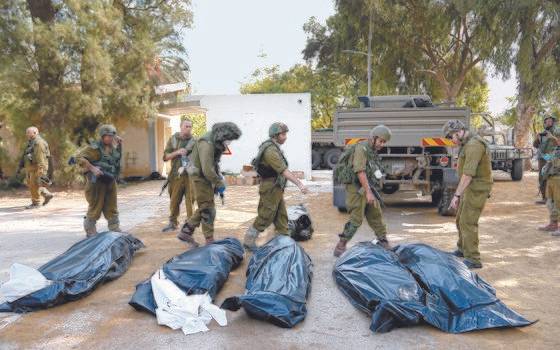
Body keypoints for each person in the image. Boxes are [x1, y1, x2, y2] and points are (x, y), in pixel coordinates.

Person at [243, 122, 310, 251]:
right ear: (275, 135)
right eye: (283, 134)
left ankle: (284, 241)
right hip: (270, 188)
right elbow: (283, 170)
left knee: (281, 217)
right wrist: (300, 184)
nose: (285, 137)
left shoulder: (274, 147)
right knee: (265, 216)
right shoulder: (270, 150)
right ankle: (248, 241)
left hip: (276, 187)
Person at [332, 125, 392, 257]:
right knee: (356, 218)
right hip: (356, 188)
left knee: (376, 213)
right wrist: (368, 192)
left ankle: (382, 240)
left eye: (384, 142)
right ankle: (340, 246)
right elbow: (360, 172)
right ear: (374, 138)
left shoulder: (371, 150)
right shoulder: (361, 148)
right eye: (381, 141)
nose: (382, 144)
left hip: (366, 186)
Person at [179, 122, 242, 246]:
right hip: (199, 176)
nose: (229, 142)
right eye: (229, 139)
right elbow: (207, 169)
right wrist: (219, 183)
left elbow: (213, 164)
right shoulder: (207, 143)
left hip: (204, 176)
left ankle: (186, 231)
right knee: (208, 208)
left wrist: (218, 177)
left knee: (205, 206)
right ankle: (209, 240)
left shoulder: (215, 141)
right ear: (223, 135)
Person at [444, 120, 493, 269]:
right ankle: (462, 249)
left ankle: (473, 258)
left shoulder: (473, 145)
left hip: (477, 188)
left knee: (468, 221)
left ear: (458, 132)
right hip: (470, 187)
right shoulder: (467, 143)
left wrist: (456, 195)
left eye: (451, 136)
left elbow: (468, 175)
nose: (451, 140)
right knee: (460, 219)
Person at [75, 124, 122, 236]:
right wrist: (92, 168)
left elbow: (116, 161)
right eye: (108, 136)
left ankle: (114, 228)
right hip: (96, 182)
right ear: (102, 136)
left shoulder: (113, 147)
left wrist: (120, 146)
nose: (110, 138)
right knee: (96, 206)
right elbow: (78, 158)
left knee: (112, 206)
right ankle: (90, 230)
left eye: (112, 136)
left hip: (109, 180)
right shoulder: (94, 148)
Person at [161, 119, 197, 232]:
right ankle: (173, 222)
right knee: (174, 200)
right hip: (176, 175)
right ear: (181, 126)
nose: (189, 128)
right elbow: (165, 157)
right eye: (186, 126)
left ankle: (189, 224)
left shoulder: (194, 141)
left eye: (190, 126)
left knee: (190, 200)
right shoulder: (173, 139)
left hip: (190, 176)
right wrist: (177, 152)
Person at [18, 126, 53, 209]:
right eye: (26, 132)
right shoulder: (31, 142)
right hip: (31, 167)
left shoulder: (38, 143)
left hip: (37, 167)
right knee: (31, 184)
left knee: (34, 184)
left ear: (35, 133)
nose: (27, 134)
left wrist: (41, 170)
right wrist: (21, 166)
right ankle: (47, 195)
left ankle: (36, 203)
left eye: (29, 132)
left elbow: (40, 157)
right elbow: (25, 155)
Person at [535, 115, 560, 232]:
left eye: (551, 120)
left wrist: (553, 138)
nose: (549, 122)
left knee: (558, 200)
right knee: (550, 200)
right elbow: (543, 152)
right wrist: (538, 139)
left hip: (557, 173)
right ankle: (553, 223)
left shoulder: (556, 132)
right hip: (549, 168)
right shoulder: (543, 134)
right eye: (547, 121)